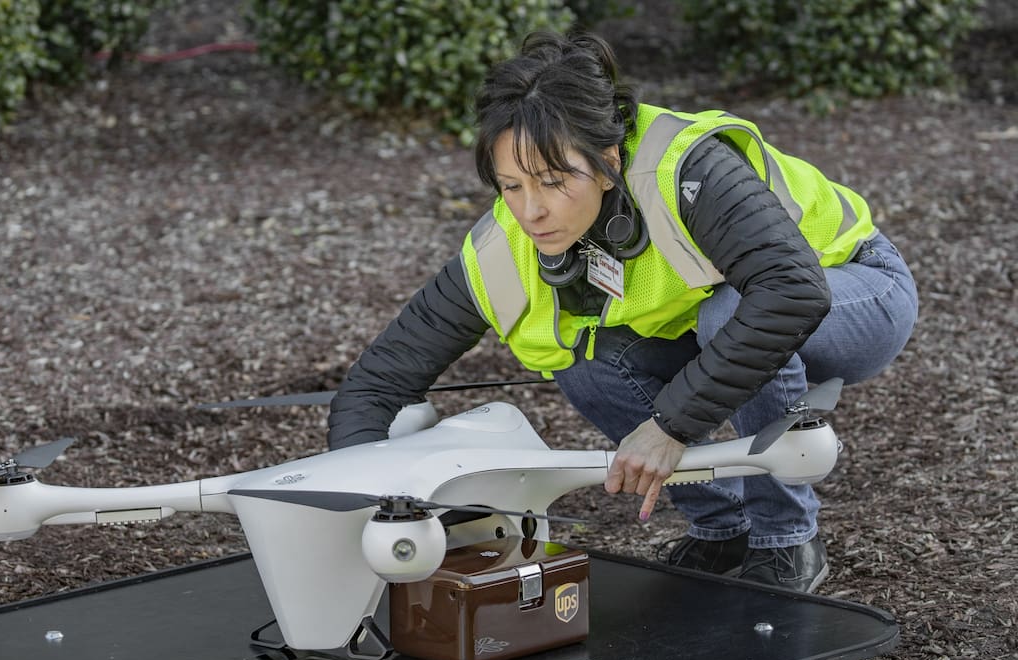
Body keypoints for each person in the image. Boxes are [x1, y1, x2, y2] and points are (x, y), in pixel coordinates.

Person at [326, 31, 918, 593]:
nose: (531, 211)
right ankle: (724, 530)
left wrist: (670, 427)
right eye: (511, 186)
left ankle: (786, 537)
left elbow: (791, 291)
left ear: (608, 157)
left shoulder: (685, 169)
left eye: (555, 181)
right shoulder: (501, 247)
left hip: (856, 291)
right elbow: (378, 383)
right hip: (722, 321)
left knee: (732, 309)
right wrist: (363, 509)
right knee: (585, 362)